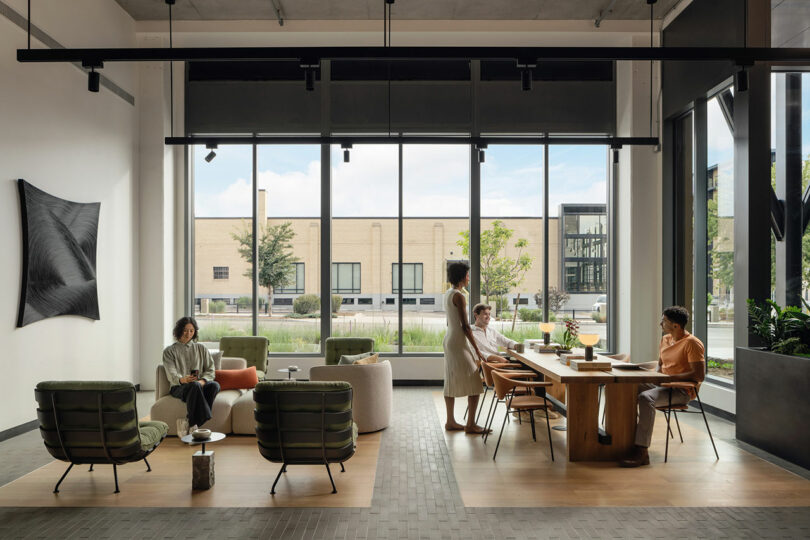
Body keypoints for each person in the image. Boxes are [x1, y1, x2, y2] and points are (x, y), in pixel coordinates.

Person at [619, 306, 705, 467]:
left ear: (676, 326)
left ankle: (641, 451)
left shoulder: (692, 344)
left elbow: (698, 375)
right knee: (625, 387)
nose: (660, 324)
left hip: (681, 389)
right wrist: (657, 375)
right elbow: (660, 364)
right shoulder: (665, 339)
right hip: (663, 383)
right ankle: (620, 438)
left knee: (646, 398)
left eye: (663, 321)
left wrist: (669, 378)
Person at [442, 262, 489, 434]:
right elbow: (466, 327)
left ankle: (450, 421)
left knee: (450, 379)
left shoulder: (448, 293)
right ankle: (470, 424)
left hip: (449, 339)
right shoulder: (459, 296)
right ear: (462, 276)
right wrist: (477, 351)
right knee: (475, 382)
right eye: (467, 275)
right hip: (457, 342)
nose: (469, 278)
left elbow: (450, 322)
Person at [162, 316, 220, 437]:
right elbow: (171, 373)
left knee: (214, 385)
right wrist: (183, 379)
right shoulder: (169, 351)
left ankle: (191, 422)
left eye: (191, 331)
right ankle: (197, 422)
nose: (188, 334)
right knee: (193, 386)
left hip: (198, 384)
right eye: (185, 330)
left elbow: (210, 370)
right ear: (179, 330)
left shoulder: (201, 348)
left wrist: (202, 381)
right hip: (179, 387)